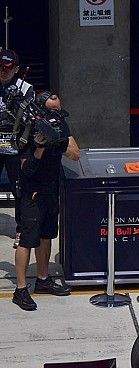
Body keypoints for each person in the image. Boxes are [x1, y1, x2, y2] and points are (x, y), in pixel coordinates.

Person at [12, 91, 77, 311]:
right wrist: (39, 148)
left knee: (47, 235)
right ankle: (20, 290)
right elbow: (26, 170)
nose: (56, 115)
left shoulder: (60, 125)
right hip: (32, 192)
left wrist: (58, 141)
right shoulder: (26, 130)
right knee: (26, 239)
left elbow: (75, 153)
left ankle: (43, 279)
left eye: (59, 110)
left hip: (50, 188)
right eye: (53, 110)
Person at [0, 49, 33, 249]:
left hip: (16, 146)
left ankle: (20, 228)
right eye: (0, 67)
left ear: (17, 69)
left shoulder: (25, 87)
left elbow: (29, 118)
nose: (3, 71)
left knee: (19, 189)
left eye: (8, 68)